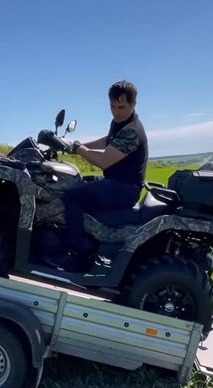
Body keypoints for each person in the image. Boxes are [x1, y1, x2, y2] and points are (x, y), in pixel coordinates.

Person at [59, 80, 149, 272]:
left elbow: (104, 161)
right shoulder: (119, 122)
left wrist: (80, 149)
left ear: (134, 104)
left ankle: (76, 252)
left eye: (122, 107)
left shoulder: (132, 131)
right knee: (77, 182)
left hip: (124, 189)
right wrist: (80, 145)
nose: (116, 111)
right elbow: (108, 140)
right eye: (112, 106)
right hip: (115, 182)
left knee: (71, 197)